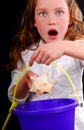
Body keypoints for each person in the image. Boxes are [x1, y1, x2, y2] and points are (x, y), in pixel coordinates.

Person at [8, 0, 84, 129]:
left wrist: (64, 46)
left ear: (70, 17)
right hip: (39, 123)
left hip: (72, 123)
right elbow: (15, 98)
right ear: (34, 21)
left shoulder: (76, 47)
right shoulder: (26, 55)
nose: (51, 21)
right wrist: (25, 82)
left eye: (59, 12)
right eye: (43, 14)